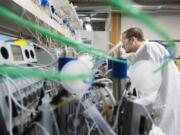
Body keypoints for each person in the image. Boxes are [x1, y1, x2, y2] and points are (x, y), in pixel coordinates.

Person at [121, 27, 180, 135]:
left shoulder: (149, 48)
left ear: (133, 40)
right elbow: (137, 65)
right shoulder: (144, 51)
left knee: (164, 129)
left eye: (123, 41)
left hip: (165, 99)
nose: (122, 45)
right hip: (162, 99)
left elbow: (150, 82)